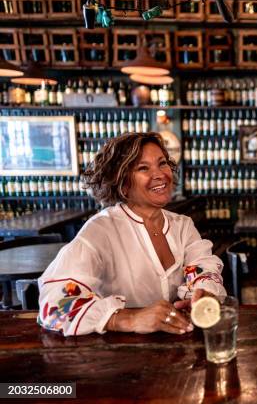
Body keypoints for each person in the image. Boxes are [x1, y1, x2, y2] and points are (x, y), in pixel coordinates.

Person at [38, 133, 226, 336]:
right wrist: (127, 319)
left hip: (179, 346)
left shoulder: (182, 225)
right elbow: (55, 305)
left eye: (162, 163)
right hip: (118, 353)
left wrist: (202, 293)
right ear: (122, 182)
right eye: (143, 168)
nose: (160, 174)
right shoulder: (100, 230)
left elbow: (203, 267)